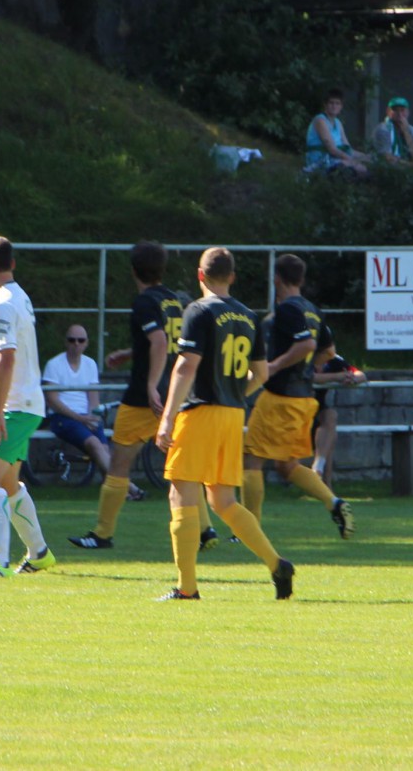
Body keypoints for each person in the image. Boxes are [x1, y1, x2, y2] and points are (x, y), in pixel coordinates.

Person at [154, 247, 295, 601]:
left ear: (200, 275)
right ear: (232, 276)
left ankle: (187, 588)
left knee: (181, 493)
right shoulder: (248, 315)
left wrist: (168, 417)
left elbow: (186, 366)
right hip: (232, 415)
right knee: (223, 500)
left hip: (200, 413)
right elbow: (261, 374)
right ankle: (276, 563)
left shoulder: (198, 310)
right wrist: (234, 392)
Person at [68, 241, 219, 551]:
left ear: (134, 271)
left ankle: (102, 534)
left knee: (118, 465)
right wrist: (130, 352)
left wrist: (150, 385)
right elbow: (170, 342)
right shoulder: (173, 301)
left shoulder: (144, 302)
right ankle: (205, 529)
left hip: (144, 399)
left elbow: (159, 342)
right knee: (181, 466)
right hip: (176, 395)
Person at [243, 254, 354, 539]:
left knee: (252, 459)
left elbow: (307, 344)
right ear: (301, 279)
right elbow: (328, 352)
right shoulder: (313, 311)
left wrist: (276, 365)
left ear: (276, 279)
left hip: (280, 398)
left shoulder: (287, 310)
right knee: (286, 466)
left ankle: (248, 529)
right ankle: (333, 502)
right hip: (304, 398)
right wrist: (305, 369)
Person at [0, 235, 56, 579]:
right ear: (13, 264)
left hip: (16, 408)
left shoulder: (3, 303)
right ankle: (40, 554)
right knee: (8, 484)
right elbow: (9, 359)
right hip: (24, 403)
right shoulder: (19, 296)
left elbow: (7, 356)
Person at [42, 324, 144, 501]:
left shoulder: (90, 364)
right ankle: (129, 486)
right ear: (65, 342)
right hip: (63, 418)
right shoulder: (54, 364)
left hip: (85, 417)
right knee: (95, 444)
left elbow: (93, 398)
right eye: (72, 340)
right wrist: (80, 418)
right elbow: (52, 400)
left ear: (86, 343)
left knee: (104, 449)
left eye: (80, 340)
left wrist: (93, 417)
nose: (76, 344)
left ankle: (117, 492)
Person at [310, 345, 367, 485]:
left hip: (317, 408)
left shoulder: (334, 360)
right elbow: (309, 377)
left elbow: (361, 375)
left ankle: (320, 471)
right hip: (294, 407)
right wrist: (337, 376)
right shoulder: (303, 357)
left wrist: (351, 379)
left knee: (330, 418)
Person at [304, 89, 369, 176]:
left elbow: (348, 148)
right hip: (320, 160)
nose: (334, 106)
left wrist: (366, 157)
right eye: (331, 103)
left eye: (337, 103)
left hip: (336, 158)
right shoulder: (320, 120)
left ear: (341, 106)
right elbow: (332, 149)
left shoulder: (338, 123)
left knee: (367, 165)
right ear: (325, 104)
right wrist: (352, 161)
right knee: (359, 168)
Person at [371, 96, 413, 165]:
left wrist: (406, 132)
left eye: (402, 110)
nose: (399, 114)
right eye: (395, 110)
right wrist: (410, 165)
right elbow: (386, 157)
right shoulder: (383, 129)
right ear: (388, 111)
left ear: (408, 112)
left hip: (409, 167)